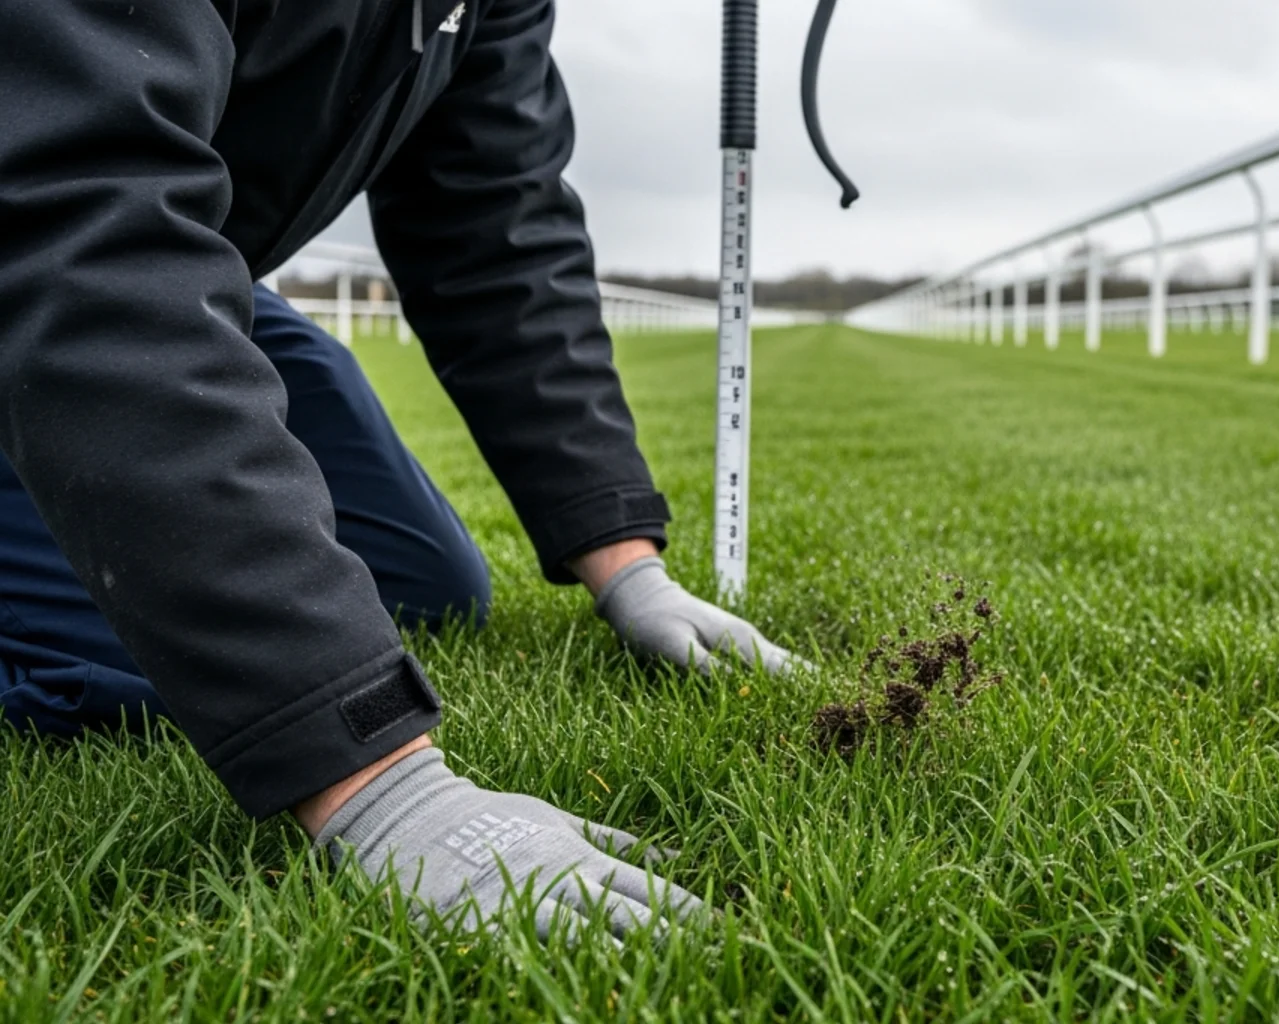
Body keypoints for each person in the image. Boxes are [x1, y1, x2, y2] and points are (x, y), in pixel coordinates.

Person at [0, 0, 802, 939]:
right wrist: (383, 788)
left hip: (153, 261)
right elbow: (75, 200)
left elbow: (498, 225)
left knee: (423, 583)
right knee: (157, 654)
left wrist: (627, 562)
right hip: (57, 242)